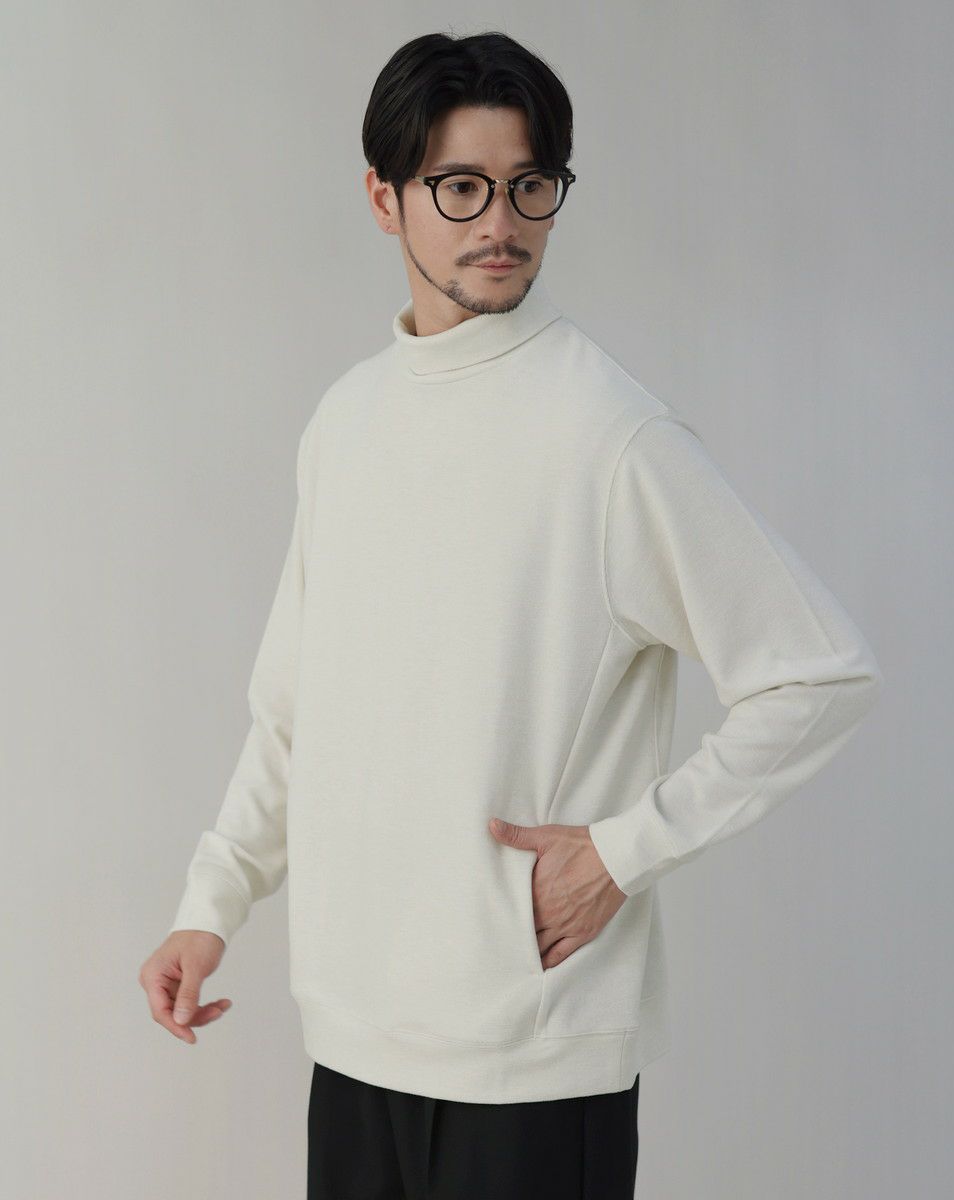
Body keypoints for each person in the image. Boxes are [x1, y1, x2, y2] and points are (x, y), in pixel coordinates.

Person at [138, 30, 883, 1199]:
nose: (501, 223)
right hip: (354, 1037)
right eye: (461, 187)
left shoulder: (609, 435)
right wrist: (210, 905)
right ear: (383, 199)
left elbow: (818, 672)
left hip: (532, 1058)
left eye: (530, 185)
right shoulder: (346, 422)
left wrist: (621, 854)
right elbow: (293, 716)